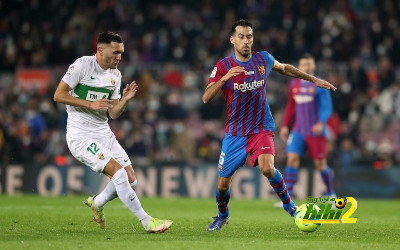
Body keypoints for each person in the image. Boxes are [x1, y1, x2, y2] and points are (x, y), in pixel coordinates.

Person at [202, 20, 336, 232]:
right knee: (222, 185)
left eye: (249, 37)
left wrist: (312, 79)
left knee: (267, 167)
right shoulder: (222, 66)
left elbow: (285, 68)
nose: (246, 41)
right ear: (232, 39)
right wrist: (224, 78)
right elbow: (206, 98)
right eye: (241, 37)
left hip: (261, 127)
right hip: (235, 133)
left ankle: (291, 208)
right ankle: (222, 215)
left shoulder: (263, 58)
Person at [54, 31, 172, 233]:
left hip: (104, 133)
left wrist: (125, 100)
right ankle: (147, 222)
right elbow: (58, 95)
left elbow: (114, 113)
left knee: (131, 181)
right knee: (118, 173)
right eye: (116, 52)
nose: (119, 57)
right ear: (100, 50)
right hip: (81, 136)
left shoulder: (115, 75)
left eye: (122, 53)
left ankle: (97, 202)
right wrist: (90, 104)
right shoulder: (82, 65)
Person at [279, 53, 336, 202]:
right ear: (299, 67)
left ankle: (331, 193)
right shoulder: (294, 84)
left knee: (320, 164)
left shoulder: (320, 84)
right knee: (291, 159)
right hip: (298, 129)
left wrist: (321, 122)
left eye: (309, 64)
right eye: (303, 64)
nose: (306, 67)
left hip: (315, 130)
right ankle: (288, 197)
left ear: (314, 66)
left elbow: (327, 108)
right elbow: (290, 107)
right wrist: (285, 125)